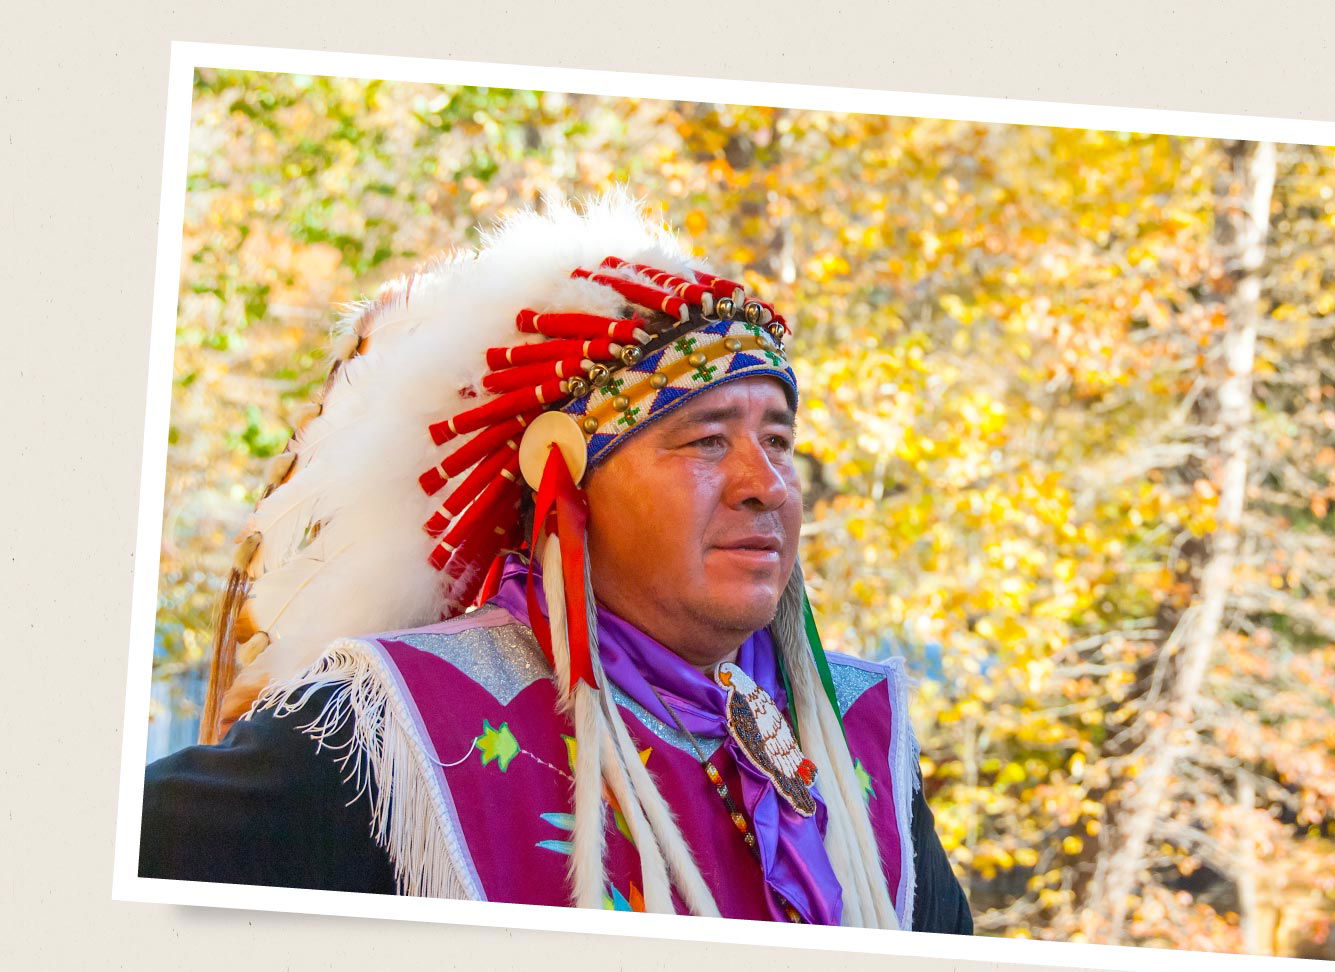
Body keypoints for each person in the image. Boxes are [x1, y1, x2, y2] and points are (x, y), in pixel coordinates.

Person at [141, 191, 973, 933]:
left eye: (779, 440)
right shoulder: (412, 725)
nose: (767, 484)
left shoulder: (859, 735)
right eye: (708, 440)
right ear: (567, 481)